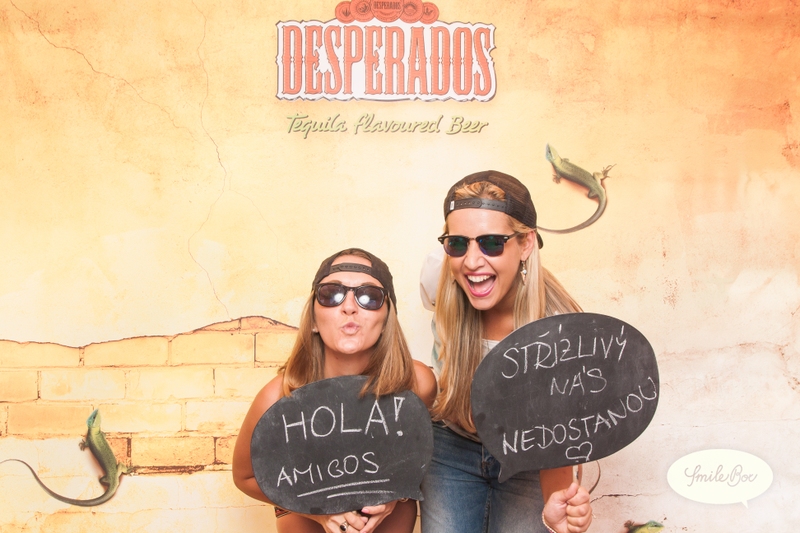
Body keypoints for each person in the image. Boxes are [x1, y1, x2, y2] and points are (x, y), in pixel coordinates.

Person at [419, 171, 593, 533]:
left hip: (528, 455)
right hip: (451, 445)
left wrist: (557, 507)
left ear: (526, 244)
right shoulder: (439, 278)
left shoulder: (559, 327)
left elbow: (556, 440)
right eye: (458, 243)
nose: (471, 262)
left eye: (492, 243)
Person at [233, 248, 437, 533]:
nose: (349, 307)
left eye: (369, 297)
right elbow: (245, 477)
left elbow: (418, 459)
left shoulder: (416, 385)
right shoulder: (277, 398)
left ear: (387, 319)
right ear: (314, 320)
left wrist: (396, 493)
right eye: (331, 294)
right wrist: (315, 510)